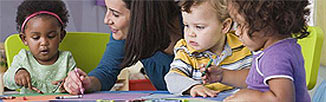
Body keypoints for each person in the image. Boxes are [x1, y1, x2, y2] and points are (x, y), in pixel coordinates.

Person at [64, 0, 182, 95]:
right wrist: (87, 82)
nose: (106, 20)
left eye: (115, 14)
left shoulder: (192, 26)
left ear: (141, 16)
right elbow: (106, 72)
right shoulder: (125, 34)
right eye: (107, 10)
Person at [203, 0, 311, 101]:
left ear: (265, 22)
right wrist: (222, 75)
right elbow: (256, 78)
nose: (237, 32)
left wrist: (248, 96)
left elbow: (282, 99)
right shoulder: (275, 48)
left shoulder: (276, 56)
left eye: (240, 24)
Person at [164, 0, 252, 97]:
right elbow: (172, 78)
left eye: (199, 27)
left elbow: (255, 78)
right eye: (186, 25)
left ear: (224, 26)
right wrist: (193, 87)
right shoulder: (186, 50)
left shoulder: (243, 44)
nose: (190, 34)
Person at [3, 0, 75, 94]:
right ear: (24, 39)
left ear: (61, 36)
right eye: (36, 37)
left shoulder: (66, 59)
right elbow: (6, 80)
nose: (44, 42)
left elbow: (75, 81)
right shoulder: (23, 58)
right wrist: (17, 74)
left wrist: (71, 84)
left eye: (51, 36)